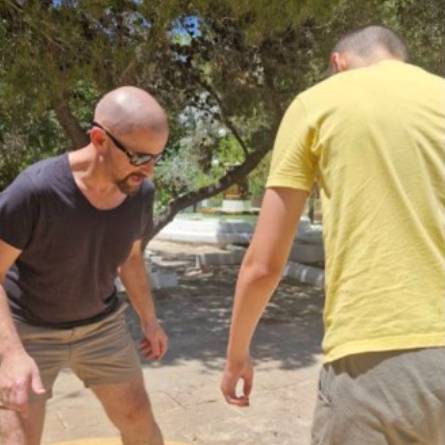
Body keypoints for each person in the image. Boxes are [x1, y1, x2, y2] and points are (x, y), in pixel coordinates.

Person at [221, 25, 445, 445]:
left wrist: (237, 356)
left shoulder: (319, 102)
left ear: (338, 62)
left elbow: (264, 264)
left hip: (377, 360)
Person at [0, 86, 169, 445]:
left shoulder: (140, 193)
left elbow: (131, 259)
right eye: (140, 157)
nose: (149, 171)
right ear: (99, 139)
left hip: (100, 328)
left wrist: (150, 321)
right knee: (16, 439)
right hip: (28, 330)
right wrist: (10, 354)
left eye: (157, 157)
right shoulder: (35, 191)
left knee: (140, 422)